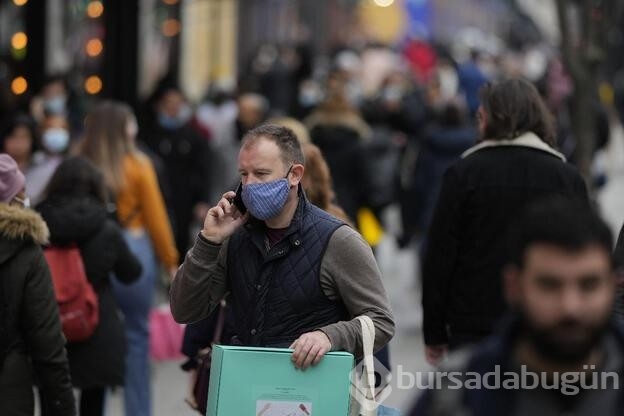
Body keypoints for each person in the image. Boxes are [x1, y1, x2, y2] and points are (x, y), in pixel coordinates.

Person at [170, 123, 394, 367]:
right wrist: (208, 242)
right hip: (246, 384)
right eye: (244, 174)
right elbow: (185, 311)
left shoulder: (338, 240)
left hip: (309, 391)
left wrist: (329, 336)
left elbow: (381, 321)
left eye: (261, 173)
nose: (250, 184)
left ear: (295, 175)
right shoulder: (234, 236)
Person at [422, 78, 589, 365]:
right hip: (545, 320)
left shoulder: (464, 173)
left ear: (491, 118)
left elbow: (439, 257)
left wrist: (434, 331)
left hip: (473, 324)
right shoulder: (566, 177)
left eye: (481, 115)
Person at [410, 197, 622, 416]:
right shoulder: (455, 394)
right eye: (549, 286)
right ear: (514, 286)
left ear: (613, 285)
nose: (570, 307)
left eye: (589, 285)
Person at [79, 101, 179, 416]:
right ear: (125, 129)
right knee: (137, 336)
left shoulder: (80, 163)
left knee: (92, 335)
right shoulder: (139, 165)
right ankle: (138, 411)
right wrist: (170, 261)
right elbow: (156, 217)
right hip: (134, 250)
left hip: (91, 253)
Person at [37, 157, 142, 416]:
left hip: (47, 325)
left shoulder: (38, 225)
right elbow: (131, 273)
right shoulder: (106, 227)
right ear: (96, 186)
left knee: (52, 400)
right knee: (93, 404)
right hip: (96, 324)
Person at [0, 153, 76, 416]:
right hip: (9, 391)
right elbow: (48, 344)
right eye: (21, 191)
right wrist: (62, 406)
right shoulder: (25, 252)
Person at [142, 84, 213, 255]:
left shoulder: (193, 137)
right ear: (159, 106)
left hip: (184, 203)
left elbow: (203, 170)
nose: (173, 108)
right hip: (155, 199)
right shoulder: (148, 136)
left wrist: (202, 201)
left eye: (177, 103)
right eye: (169, 103)